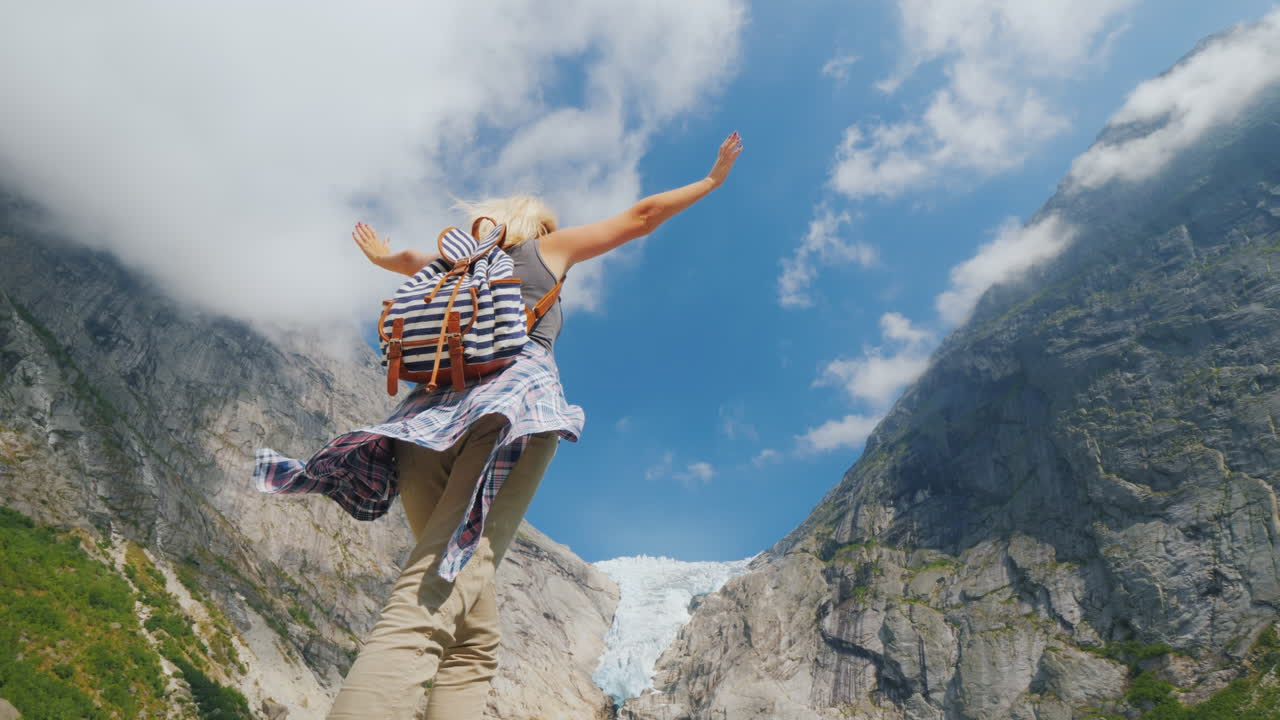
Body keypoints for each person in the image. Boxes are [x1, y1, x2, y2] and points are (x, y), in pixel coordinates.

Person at [252, 131, 743, 719]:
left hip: (418, 429)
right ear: (536, 227)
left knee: (474, 639)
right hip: (510, 410)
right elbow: (641, 216)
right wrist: (711, 181)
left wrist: (383, 258)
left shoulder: (451, 264)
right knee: (431, 591)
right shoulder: (543, 252)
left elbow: (407, 261)